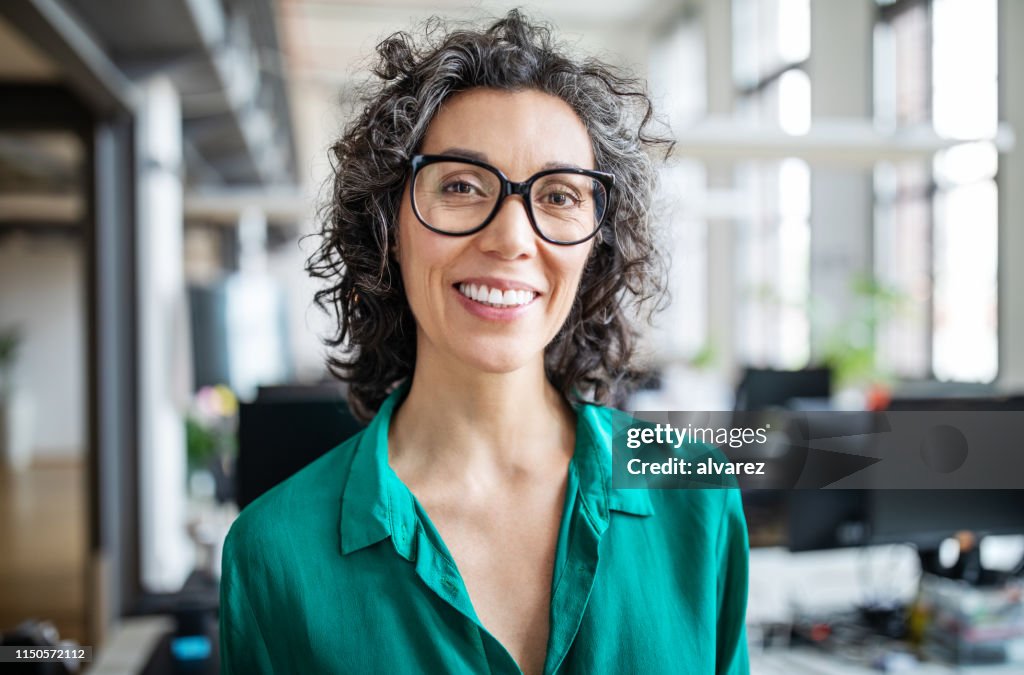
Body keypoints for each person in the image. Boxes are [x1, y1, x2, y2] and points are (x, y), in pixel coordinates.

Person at [220, 10, 749, 674]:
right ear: (390, 229)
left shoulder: (695, 497)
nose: (511, 238)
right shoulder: (274, 553)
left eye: (559, 196)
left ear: (597, 247)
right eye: (463, 186)